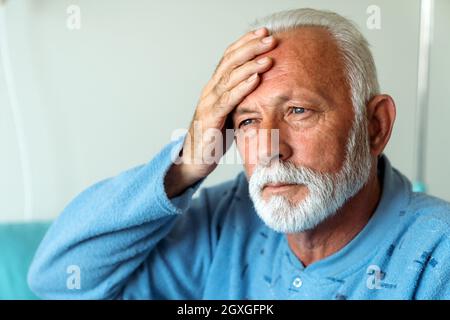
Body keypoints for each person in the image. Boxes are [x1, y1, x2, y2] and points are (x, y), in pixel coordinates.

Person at [28, 8, 450, 299]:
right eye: (247, 122)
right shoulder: (225, 224)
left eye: (298, 111)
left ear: (374, 127)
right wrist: (186, 165)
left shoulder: (439, 255)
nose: (269, 149)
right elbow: (60, 279)